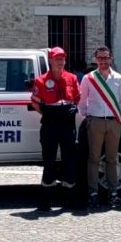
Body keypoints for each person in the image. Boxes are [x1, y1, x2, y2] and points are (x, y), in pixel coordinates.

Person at [31, 46, 81, 211]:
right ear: (50, 60)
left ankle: (70, 199)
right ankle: (45, 201)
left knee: (69, 162)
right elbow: (35, 102)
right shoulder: (41, 80)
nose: (60, 61)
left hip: (67, 125)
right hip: (50, 125)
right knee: (49, 162)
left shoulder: (72, 78)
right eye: (57, 59)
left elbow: (77, 99)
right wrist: (48, 114)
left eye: (62, 58)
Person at [78, 45, 121, 208]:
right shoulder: (88, 78)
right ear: (95, 60)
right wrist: (89, 116)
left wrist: (117, 118)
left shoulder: (119, 79)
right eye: (100, 58)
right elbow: (82, 101)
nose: (103, 61)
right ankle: (93, 194)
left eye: (106, 58)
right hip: (96, 122)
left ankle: (113, 194)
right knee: (93, 159)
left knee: (112, 159)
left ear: (111, 59)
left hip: (113, 122)